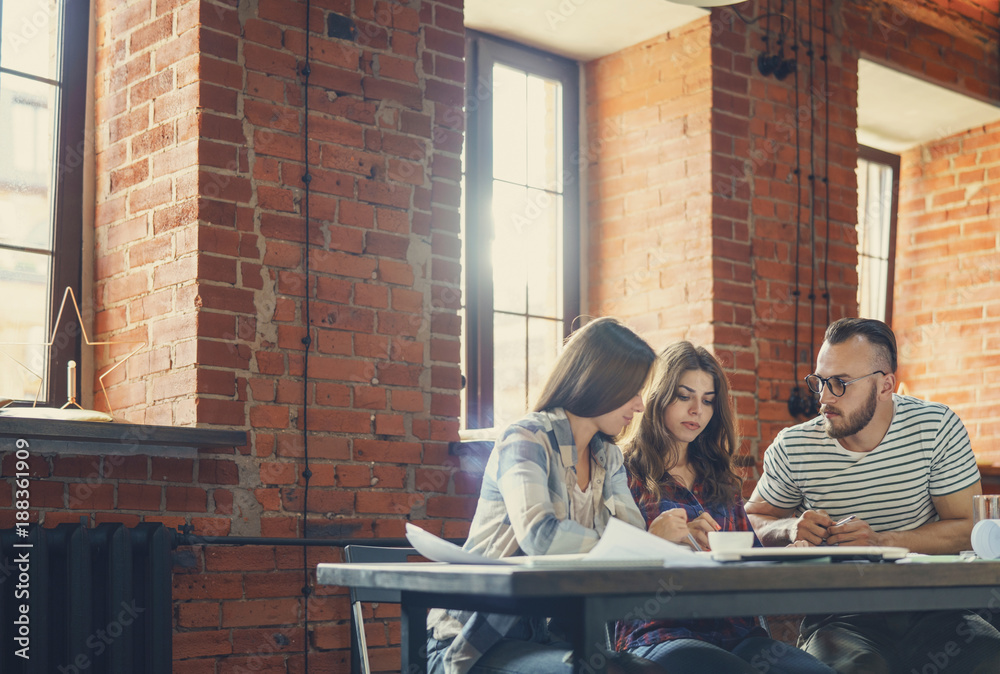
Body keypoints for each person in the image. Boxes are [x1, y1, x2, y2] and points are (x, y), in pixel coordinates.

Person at [745, 317, 1000, 673]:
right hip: (841, 616)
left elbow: (968, 528)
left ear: (885, 385)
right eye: (819, 381)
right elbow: (752, 519)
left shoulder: (935, 426)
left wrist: (881, 541)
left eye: (840, 383)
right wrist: (788, 528)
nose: (824, 397)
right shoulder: (794, 446)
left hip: (938, 609)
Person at [425, 317, 672, 674]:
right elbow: (541, 535)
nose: (639, 405)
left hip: (549, 639)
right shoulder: (525, 439)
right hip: (473, 640)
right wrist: (636, 543)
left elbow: (631, 546)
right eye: (633, 390)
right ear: (601, 381)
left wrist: (640, 544)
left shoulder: (609, 457)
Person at [616, 341, 835, 674]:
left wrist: (791, 555)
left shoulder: (719, 476)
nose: (697, 411)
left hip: (738, 634)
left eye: (707, 401)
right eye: (683, 396)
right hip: (660, 634)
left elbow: (748, 566)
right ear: (658, 396)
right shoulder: (624, 472)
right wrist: (655, 541)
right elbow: (603, 569)